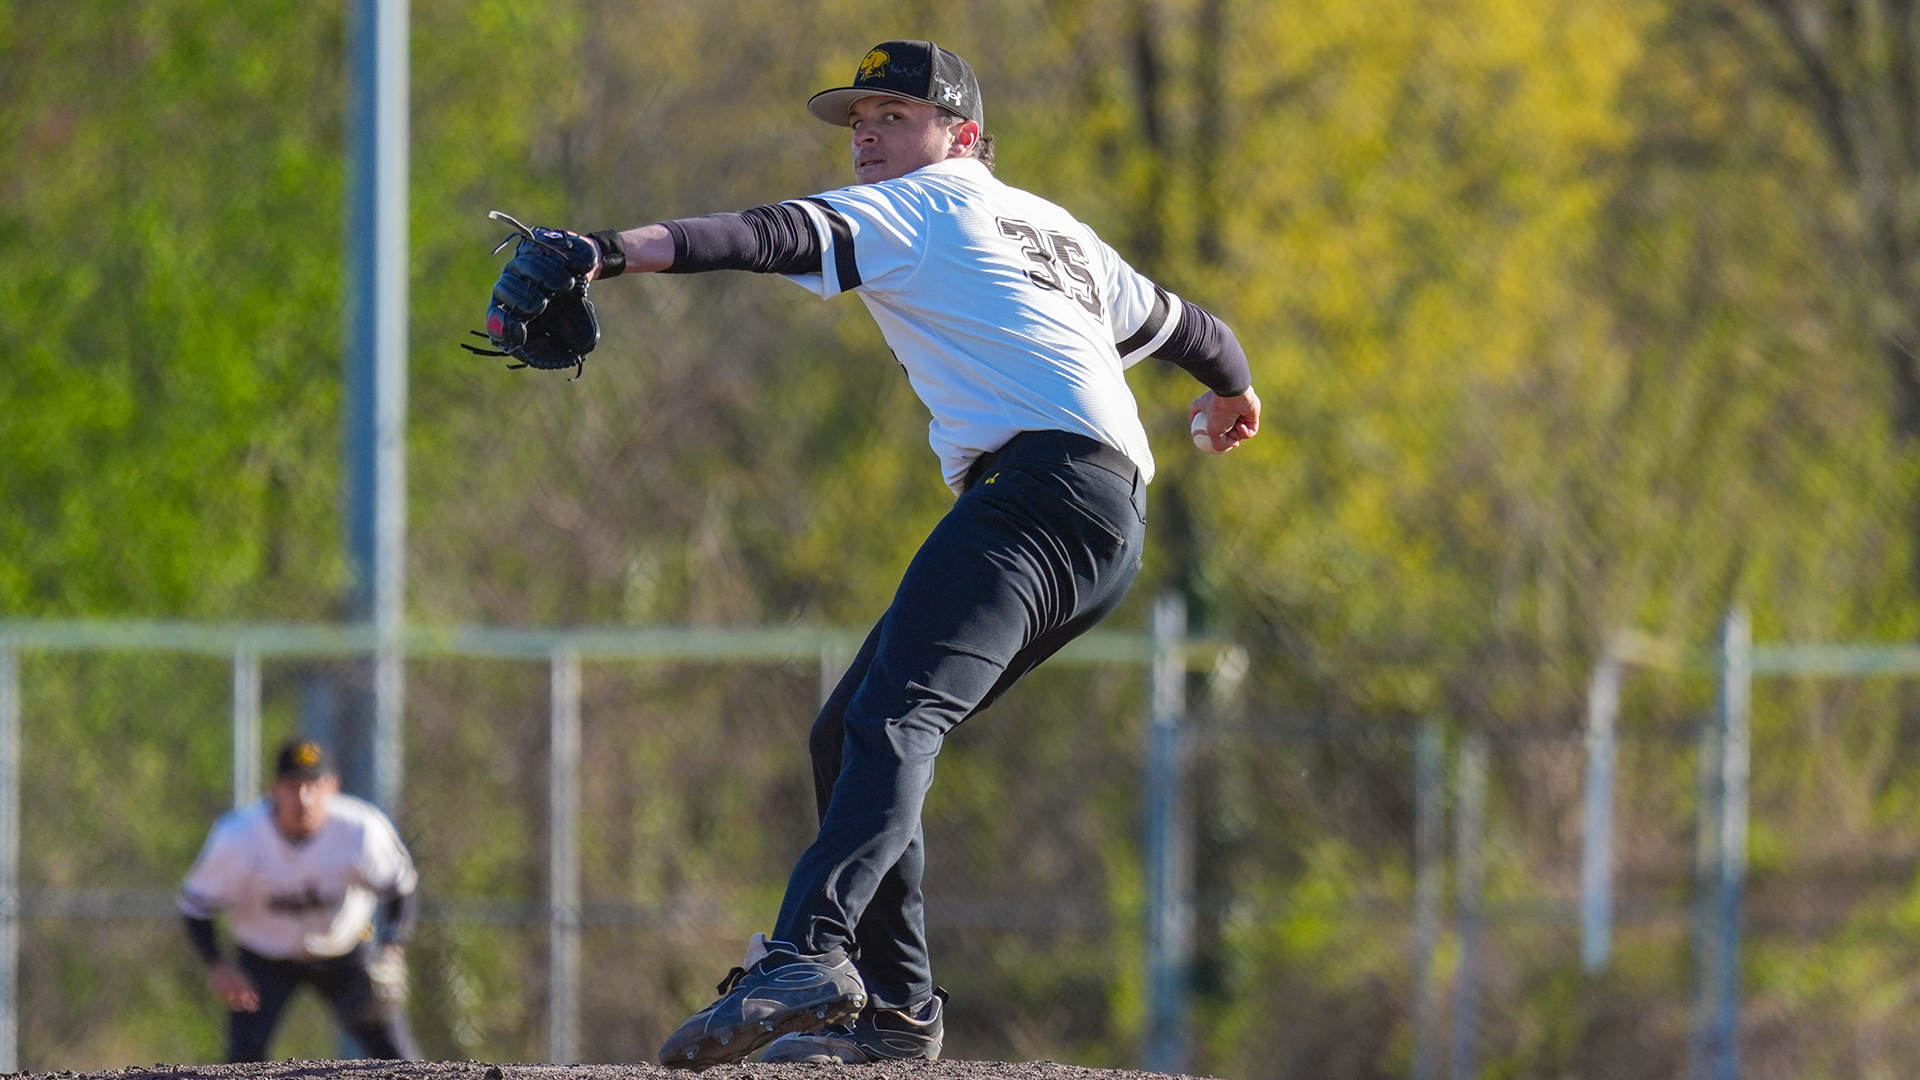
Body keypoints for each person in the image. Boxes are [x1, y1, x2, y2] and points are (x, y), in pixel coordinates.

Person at [486, 39, 1259, 1068]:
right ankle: (898, 1019)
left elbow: (764, 234)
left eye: (893, 116)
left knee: (894, 716)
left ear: (962, 138)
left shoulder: (931, 203)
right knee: (849, 730)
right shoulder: (1055, 229)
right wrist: (1236, 390)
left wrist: (604, 250)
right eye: (858, 122)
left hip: (1042, 497)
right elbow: (1191, 326)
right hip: (1096, 515)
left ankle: (811, 951)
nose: (867, 139)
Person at [178, 739, 419, 1062]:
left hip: (344, 951)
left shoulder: (360, 829)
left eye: (313, 785)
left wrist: (392, 947)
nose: (303, 798)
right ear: (274, 789)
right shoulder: (238, 837)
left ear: (332, 787)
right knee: (243, 1062)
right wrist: (217, 965)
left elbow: (400, 888)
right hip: (264, 958)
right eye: (292, 786)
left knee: (397, 1058)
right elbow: (195, 907)